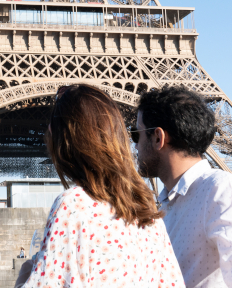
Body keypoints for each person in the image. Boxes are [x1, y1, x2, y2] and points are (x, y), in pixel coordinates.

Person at [15, 84, 184, 288]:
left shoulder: (74, 205)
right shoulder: (148, 213)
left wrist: (23, 278)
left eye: (52, 129)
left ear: (66, 142)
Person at [134, 85, 232, 287]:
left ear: (158, 138)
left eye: (136, 134)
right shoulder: (165, 206)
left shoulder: (219, 188)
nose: (135, 146)